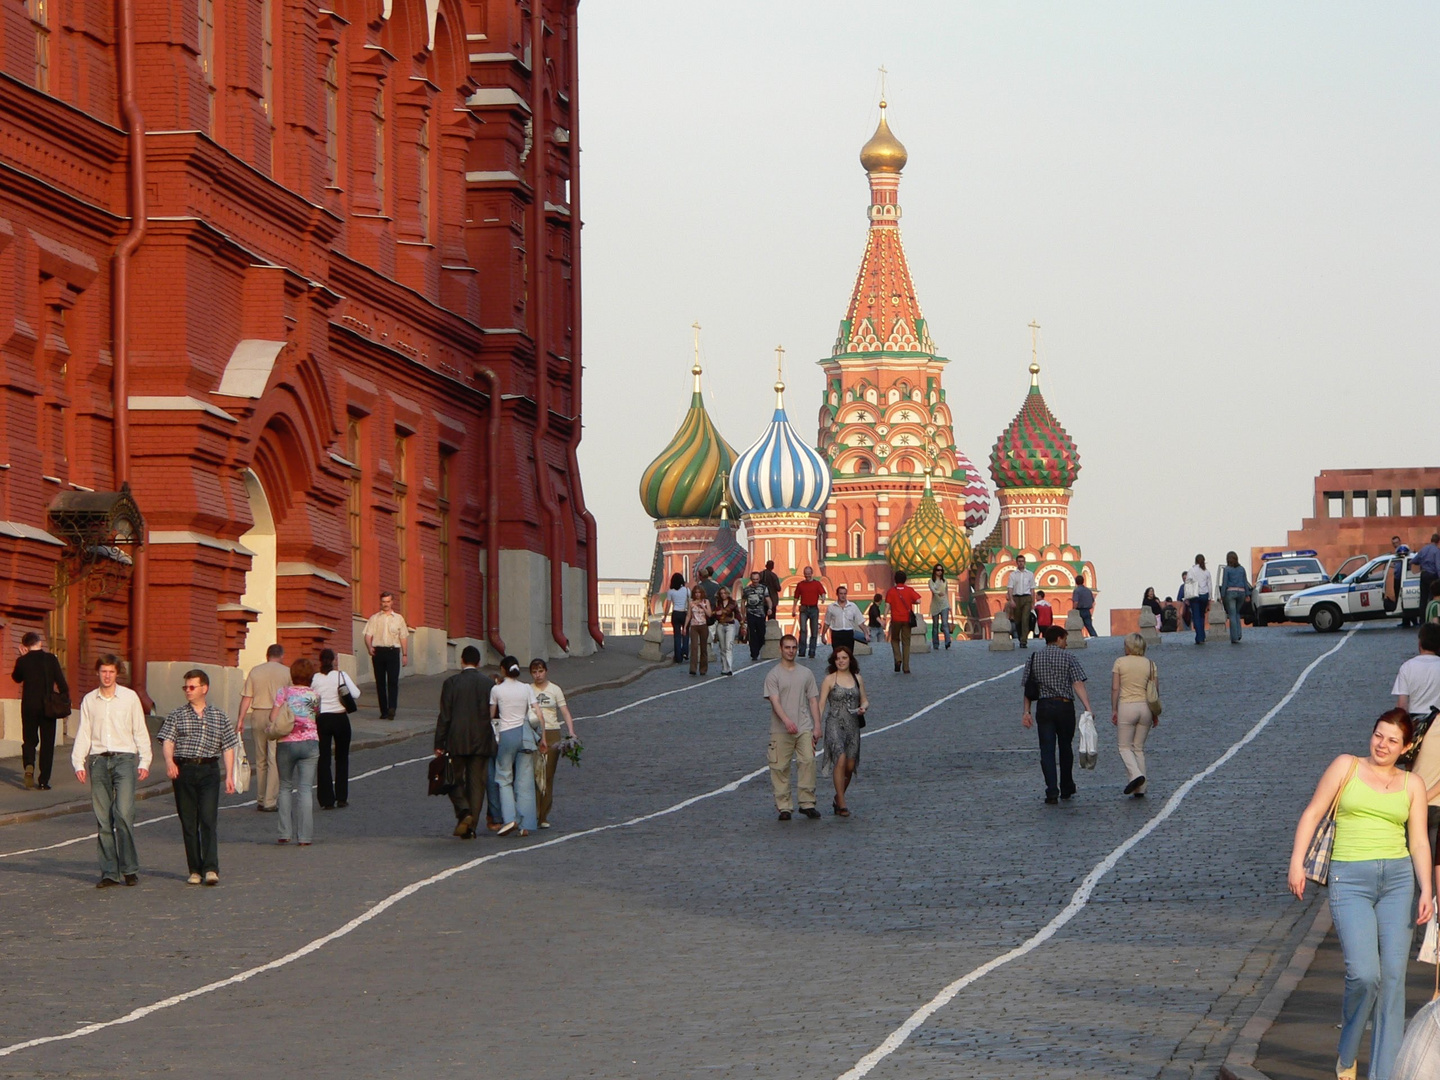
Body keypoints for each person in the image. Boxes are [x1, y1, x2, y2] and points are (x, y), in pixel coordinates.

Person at [1287, 710, 1433, 1080]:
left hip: (1399, 882)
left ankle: (1384, 1074)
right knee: (1365, 974)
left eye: (1392, 740)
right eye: (1378, 735)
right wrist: (1296, 863)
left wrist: (1427, 890)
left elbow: (1418, 840)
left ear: (1407, 747)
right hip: (1349, 881)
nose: (1382, 745)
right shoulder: (1345, 766)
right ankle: (1347, 1051)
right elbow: (1313, 813)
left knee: (1394, 980)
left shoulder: (1412, 784)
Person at [73, 655, 151, 887]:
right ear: (98, 673)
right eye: (103, 671)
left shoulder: (129, 698)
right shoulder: (89, 700)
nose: (107, 676)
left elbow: (139, 729)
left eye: (111, 672)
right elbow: (84, 732)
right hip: (98, 761)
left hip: (124, 759)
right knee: (103, 818)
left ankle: (129, 869)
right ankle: (109, 871)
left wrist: (145, 761)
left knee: (124, 814)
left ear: (118, 674)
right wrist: (78, 762)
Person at [157, 670, 238, 885]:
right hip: (184, 770)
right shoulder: (177, 715)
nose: (188, 691)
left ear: (205, 688)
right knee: (189, 822)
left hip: (209, 770)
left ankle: (211, 868)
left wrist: (229, 775)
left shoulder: (218, 716)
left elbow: (228, 746)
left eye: (192, 687)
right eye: (186, 687)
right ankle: (194, 869)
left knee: (208, 819)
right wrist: (169, 762)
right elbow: (168, 740)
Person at [1021, 625, 1093, 805]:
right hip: (1064, 706)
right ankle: (1067, 786)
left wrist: (1026, 711)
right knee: (1065, 747)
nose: (1066, 643)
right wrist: (1088, 707)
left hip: (1044, 707)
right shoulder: (1069, 657)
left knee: (1046, 750)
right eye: (1065, 639)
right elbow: (1077, 683)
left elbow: (1029, 688)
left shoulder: (1034, 657)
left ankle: (1051, 790)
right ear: (1059, 638)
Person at [435, 645, 496, 839]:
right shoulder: (488, 684)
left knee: (453, 778)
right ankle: (471, 826)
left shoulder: (451, 683)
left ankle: (464, 811)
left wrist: (439, 741)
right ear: (478, 662)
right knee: (477, 783)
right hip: (481, 739)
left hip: (457, 739)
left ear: (462, 660)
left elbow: (445, 715)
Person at [1394, 623, 1440, 859]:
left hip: (1415, 727)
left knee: (1413, 776)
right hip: (1437, 729)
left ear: (1420, 643)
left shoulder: (1407, 667)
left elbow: (1402, 706)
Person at [763, 635, 821, 821]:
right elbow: (775, 701)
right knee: (780, 767)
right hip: (781, 729)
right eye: (787, 647)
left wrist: (817, 726)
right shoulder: (773, 675)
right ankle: (784, 806)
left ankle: (807, 803)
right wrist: (786, 721)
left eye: (794, 647)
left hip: (804, 726)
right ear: (780, 649)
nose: (791, 651)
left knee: (808, 763)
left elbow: (813, 700)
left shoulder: (806, 673)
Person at [489, 655, 541, 836]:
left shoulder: (497, 689)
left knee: (504, 777)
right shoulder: (526, 688)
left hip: (507, 734)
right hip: (526, 735)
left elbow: (492, 714)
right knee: (524, 781)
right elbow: (537, 712)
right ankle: (525, 824)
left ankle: (510, 818)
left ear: (503, 670)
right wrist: (542, 739)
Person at [11, 631, 69, 790]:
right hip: (48, 707)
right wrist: (63, 699)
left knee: (29, 739)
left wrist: (22, 658)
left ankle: (29, 764)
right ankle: (43, 780)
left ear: (25, 646)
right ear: (39, 643)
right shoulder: (50, 659)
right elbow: (62, 684)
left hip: (29, 706)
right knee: (47, 743)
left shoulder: (23, 661)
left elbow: (16, 678)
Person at [274, 658, 321, 846]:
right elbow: (317, 714)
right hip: (310, 742)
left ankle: (284, 832)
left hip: (286, 742)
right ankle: (305, 837)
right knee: (305, 789)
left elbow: (273, 716)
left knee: (285, 787)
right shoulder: (315, 695)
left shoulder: (283, 692)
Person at [236, 643, 288, 812]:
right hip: (277, 715)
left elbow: (246, 698)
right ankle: (270, 800)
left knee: (260, 758)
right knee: (274, 757)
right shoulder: (286, 672)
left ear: (267, 655)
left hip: (258, 714)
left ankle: (259, 797)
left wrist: (241, 720)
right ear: (281, 656)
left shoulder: (255, 671)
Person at [819, 646, 868, 817]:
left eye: (844, 658)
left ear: (850, 660)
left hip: (853, 725)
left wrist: (863, 708)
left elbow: (865, 700)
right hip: (834, 723)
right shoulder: (829, 680)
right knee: (839, 758)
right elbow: (821, 704)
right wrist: (816, 726)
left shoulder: (857, 679)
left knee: (850, 765)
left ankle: (837, 797)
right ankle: (842, 803)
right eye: (838, 658)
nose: (841, 661)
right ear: (834, 661)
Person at [311, 649, 360, 810]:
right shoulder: (340, 675)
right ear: (334, 660)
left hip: (322, 719)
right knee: (342, 758)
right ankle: (341, 797)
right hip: (340, 718)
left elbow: (311, 697)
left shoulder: (316, 678)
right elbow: (356, 694)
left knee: (323, 759)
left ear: (320, 660)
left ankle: (326, 799)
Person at [530, 659, 576, 830]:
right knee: (535, 775)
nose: (538, 675)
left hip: (552, 733)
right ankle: (533, 812)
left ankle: (543, 815)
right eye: (534, 672)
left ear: (546, 671)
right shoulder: (528, 690)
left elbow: (565, 712)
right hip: (534, 732)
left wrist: (571, 732)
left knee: (547, 776)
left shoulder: (555, 690)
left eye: (540, 671)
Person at [1110, 633, 1157, 797]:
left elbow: (1115, 688)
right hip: (1146, 708)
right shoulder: (1150, 664)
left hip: (1127, 706)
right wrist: (1155, 713)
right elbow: (1154, 691)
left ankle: (1136, 775)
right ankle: (1141, 788)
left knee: (1124, 747)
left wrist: (1114, 709)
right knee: (1138, 748)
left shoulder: (1120, 662)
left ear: (1128, 647)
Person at [363, 591, 409, 719]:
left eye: (388, 602)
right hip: (378, 652)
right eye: (383, 602)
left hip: (393, 651)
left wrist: (405, 654)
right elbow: (368, 635)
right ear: (380, 602)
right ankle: (383, 711)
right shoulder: (374, 618)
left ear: (392, 602)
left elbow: (403, 637)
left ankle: (392, 708)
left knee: (393, 681)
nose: (386, 604)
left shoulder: (399, 618)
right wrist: (369, 647)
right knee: (380, 682)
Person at [884, 571, 922, 674]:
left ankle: (898, 658)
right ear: (905, 580)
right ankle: (906, 667)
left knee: (895, 640)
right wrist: (911, 601)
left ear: (895, 580)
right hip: (907, 620)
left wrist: (884, 617)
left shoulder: (891, 591)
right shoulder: (909, 590)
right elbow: (918, 600)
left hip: (895, 619)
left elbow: (887, 606)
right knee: (906, 643)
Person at [1217, 552, 1250, 644]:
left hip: (1230, 592)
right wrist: (1247, 594)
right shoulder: (1242, 569)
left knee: (1232, 614)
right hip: (1241, 592)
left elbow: (1225, 583)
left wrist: (1222, 595)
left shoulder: (1227, 569)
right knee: (1237, 613)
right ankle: (1239, 634)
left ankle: (1234, 637)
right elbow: (1245, 581)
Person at [793, 566, 826, 659]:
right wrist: (794, 608)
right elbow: (796, 597)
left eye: (808, 573)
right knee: (803, 630)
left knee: (814, 631)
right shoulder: (800, 584)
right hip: (803, 608)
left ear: (812, 573)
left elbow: (822, 592)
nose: (807, 575)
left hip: (814, 609)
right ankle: (802, 651)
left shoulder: (817, 583)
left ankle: (812, 651)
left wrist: (823, 597)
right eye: (806, 573)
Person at [823, 585, 865, 655]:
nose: (843, 596)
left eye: (844, 594)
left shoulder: (853, 606)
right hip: (836, 633)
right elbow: (827, 622)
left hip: (848, 633)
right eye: (841, 594)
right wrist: (823, 635)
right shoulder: (831, 607)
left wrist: (865, 633)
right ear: (837, 594)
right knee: (837, 654)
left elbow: (860, 621)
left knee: (849, 654)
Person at [741, 571, 773, 662]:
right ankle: (754, 653)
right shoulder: (746, 589)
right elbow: (743, 602)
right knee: (752, 634)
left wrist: (770, 608)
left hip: (761, 614)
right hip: (750, 613)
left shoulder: (763, 588)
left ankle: (758, 647)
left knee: (761, 633)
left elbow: (768, 599)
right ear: (751, 579)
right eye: (753, 579)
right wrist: (743, 614)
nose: (755, 581)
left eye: (757, 579)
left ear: (759, 579)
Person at [1411, 533, 1440, 628]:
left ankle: (1422, 621)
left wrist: (1423, 563)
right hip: (1432, 575)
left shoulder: (1423, 549)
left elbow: (1413, 561)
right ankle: (1431, 620)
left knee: (1423, 599)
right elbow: (1438, 566)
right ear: (1438, 541)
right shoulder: (1436, 551)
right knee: (1432, 598)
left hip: (1423, 574)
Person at [1007, 555, 1036, 647]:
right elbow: (1010, 588)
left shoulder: (1030, 574)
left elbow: (1032, 589)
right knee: (1017, 621)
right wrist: (1011, 600)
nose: (1021, 563)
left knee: (1025, 619)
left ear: (1025, 562)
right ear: (1017, 562)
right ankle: (1020, 636)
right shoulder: (1013, 575)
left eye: (1022, 561)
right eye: (1019, 561)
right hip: (1016, 598)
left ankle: (1024, 641)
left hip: (1026, 598)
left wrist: (1032, 602)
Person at [662, 572, 690, 664]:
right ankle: (685, 652)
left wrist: (665, 616)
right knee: (685, 633)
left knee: (677, 635)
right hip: (684, 613)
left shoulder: (671, 591)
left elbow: (668, 605)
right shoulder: (686, 590)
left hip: (675, 613)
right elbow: (690, 603)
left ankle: (678, 657)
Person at [713, 586, 740, 675]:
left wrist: (742, 623)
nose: (723, 595)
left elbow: (737, 614)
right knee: (722, 647)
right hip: (720, 625)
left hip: (730, 625)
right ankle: (724, 667)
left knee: (729, 646)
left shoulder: (733, 603)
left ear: (728, 593)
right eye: (721, 593)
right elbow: (713, 613)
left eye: (724, 593)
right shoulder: (717, 603)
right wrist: (716, 613)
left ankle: (729, 667)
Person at [1184, 556, 1212, 644]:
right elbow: (1209, 585)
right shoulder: (1206, 572)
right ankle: (1202, 636)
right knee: (1202, 615)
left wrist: (1186, 597)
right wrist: (1209, 598)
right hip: (1204, 595)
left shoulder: (1192, 570)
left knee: (1196, 616)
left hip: (1195, 595)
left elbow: (1187, 584)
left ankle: (1199, 637)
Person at [685, 584, 711, 676]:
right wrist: (685, 627)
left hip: (703, 626)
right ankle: (693, 668)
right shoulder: (691, 603)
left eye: (699, 593)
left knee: (703, 648)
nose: (697, 594)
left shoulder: (706, 601)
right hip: (694, 626)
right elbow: (688, 615)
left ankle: (703, 669)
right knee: (694, 647)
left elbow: (709, 614)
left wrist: (703, 606)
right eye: (696, 593)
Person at [928, 566, 952, 650]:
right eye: (938, 570)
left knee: (945, 624)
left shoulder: (945, 580)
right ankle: (935, 644)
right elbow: (933, 590)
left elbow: (947, 592)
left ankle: (947, 641)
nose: (940, 572)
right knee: (935, 625)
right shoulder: (931, 581)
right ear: (934, 571)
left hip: (944, 604)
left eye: (941, 570)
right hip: (935, 605)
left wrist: (949, 605)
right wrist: (938, 592)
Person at [1071, 571, 1098, 637]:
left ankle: (1077, 638)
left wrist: (1073, 610)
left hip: (1080, 611)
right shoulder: (1088, 590)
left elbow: (1076, 602)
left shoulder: (1077, 591)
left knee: (1076, 626)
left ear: (1076, 582)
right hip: (1087, 610)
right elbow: (1092, 600)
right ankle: (1095, 637)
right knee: (1089, 626)